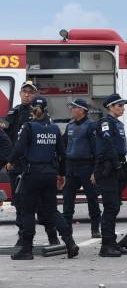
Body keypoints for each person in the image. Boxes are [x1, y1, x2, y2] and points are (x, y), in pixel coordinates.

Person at [7, 96, 79, 260]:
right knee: (51, 210)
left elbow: (19, 148)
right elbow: (62, 154)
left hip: (32, 174)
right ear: (46, 109)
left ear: (32, 110)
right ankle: (70, 242)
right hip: (50, 174)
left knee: (28, 211)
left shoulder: (29, 127)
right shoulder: (54, 129)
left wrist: (10, 162)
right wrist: (61, 174)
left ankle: (26, 250)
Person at [4, 81, 59, 246]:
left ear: (35, 94)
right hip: (17, 165)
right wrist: (9, 159)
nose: (27, 95)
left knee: (44, 203)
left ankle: (52, 236)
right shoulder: (14, 112)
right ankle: (23, 238)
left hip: (35, 166)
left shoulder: (41, 114)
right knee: (20, 203)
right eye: (24, 92)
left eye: (30, 92)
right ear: (20, 93)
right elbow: (5, 135)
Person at [94, 93, 127, 257]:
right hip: (108, 167)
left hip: (117, 165)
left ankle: (111, 242)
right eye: (119, 105)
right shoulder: (105, 123)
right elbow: (108, 143)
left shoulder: (117, 123)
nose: (123, 108)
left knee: (115, 206)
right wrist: (115, 164)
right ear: (110, 107)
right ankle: (106, 245)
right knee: (110, 207)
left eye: (123, 105)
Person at [62, 99, 101, 238]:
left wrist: (95, 171)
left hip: (86, 167)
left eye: (74, 107)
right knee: (67, 200)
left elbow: (97, 150)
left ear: (82, 110)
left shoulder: (91, 126)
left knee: (92, 199)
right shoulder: (70, 125)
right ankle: (67, 231)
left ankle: (95, 229)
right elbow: (63, 145)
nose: (71, 109)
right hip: (71, 167)